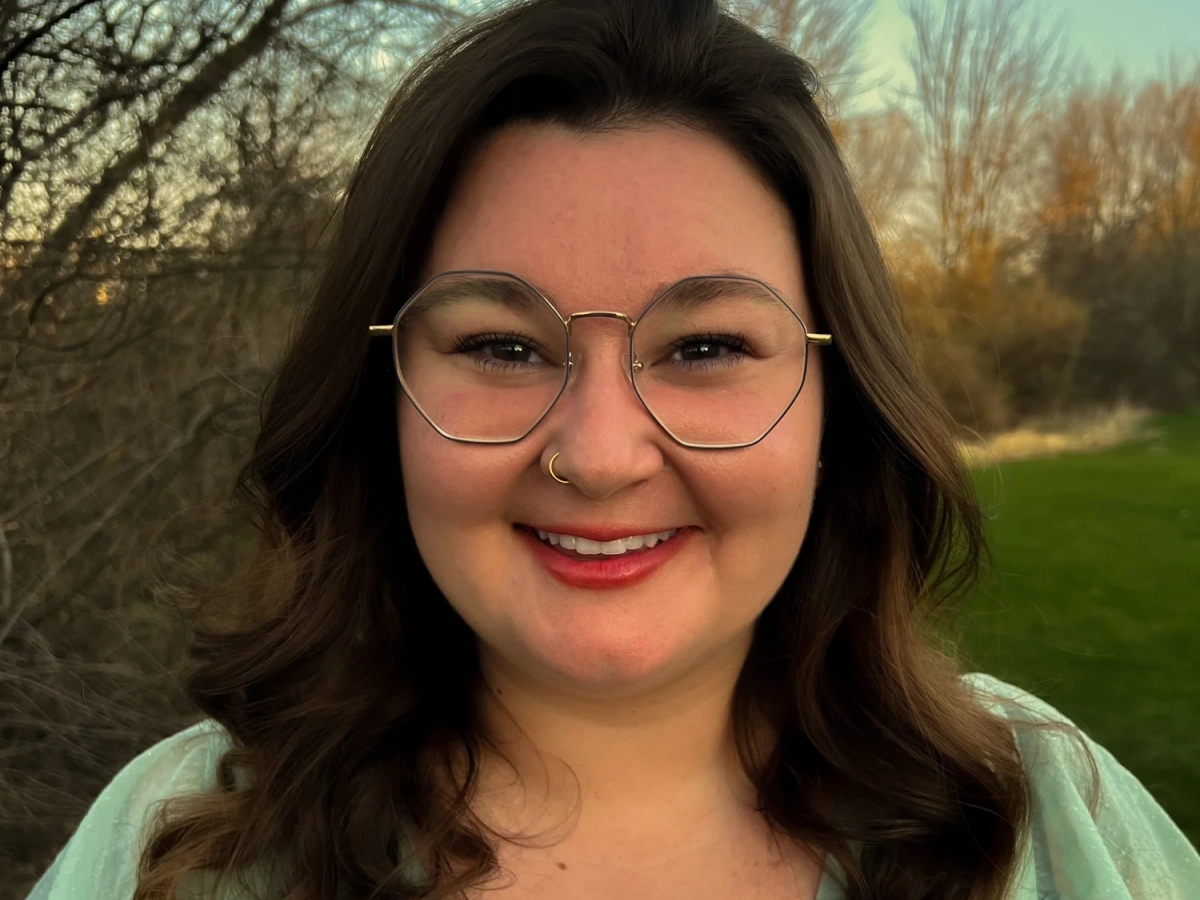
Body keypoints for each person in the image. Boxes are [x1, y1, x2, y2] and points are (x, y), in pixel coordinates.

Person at [23, 1, 1200, 898]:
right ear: (376, 387)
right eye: (499, 345)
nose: (596, 453)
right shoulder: (173, 846)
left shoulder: (1052, 817)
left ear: (838, 398)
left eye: (704, 349)